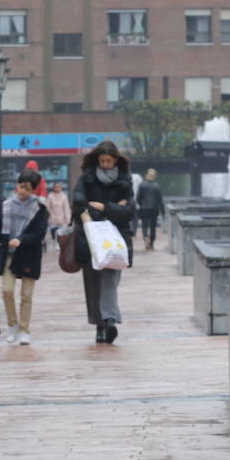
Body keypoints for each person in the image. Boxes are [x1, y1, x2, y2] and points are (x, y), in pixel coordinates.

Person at [0, 170, 49, 345]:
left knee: (26, 295)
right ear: (18, 185)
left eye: (28, 189)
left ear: (34, 190)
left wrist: (21, 240)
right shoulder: (6, 205)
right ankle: (13, 325)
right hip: (8, 255)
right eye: (21, 187)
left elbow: (39, 233)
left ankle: (24, 330)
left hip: (29, 255)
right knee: (7, 290)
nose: (23, 192)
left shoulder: (39, 208)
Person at [71, 139, 135, 344]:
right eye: (102, 161)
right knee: (92, 282)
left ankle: (109, 321)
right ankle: (99, 324)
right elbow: (78, 202)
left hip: (116, 238)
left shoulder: (125, 180)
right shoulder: (87, 178)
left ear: (116, 159)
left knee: (110, 281)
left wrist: (103, 207)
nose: (105, 164)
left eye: (108, 160)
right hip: (90, 237)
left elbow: (129, 211)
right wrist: (108, 209)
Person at [135, 168, 164, 250]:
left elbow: (138, 198)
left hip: (144, 208)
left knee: (144, 225)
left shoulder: (142, 185)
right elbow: (160, 199)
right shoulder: (157, 186)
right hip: (154, 209)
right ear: (155, 176)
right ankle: (151, 243)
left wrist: (141, 205)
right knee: (153, 226)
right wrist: (162, 210)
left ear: (146, 175)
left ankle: (145, 237)